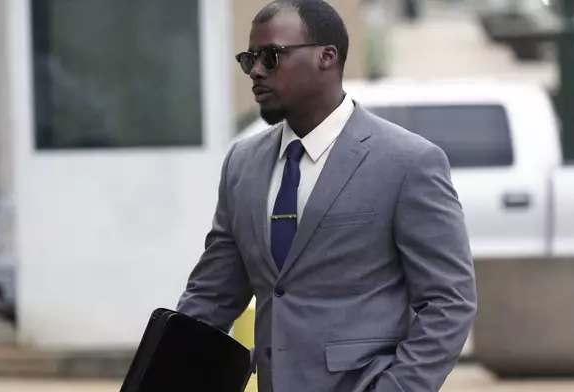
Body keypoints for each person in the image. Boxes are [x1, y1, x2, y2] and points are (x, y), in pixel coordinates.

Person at [176, 1, 477, 391]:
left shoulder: (408, 163)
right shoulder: (242, 164)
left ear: (326, 57)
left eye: (271, 56)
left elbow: (449, 301)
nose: (256, 71)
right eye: (249, 58)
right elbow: (211, 296)